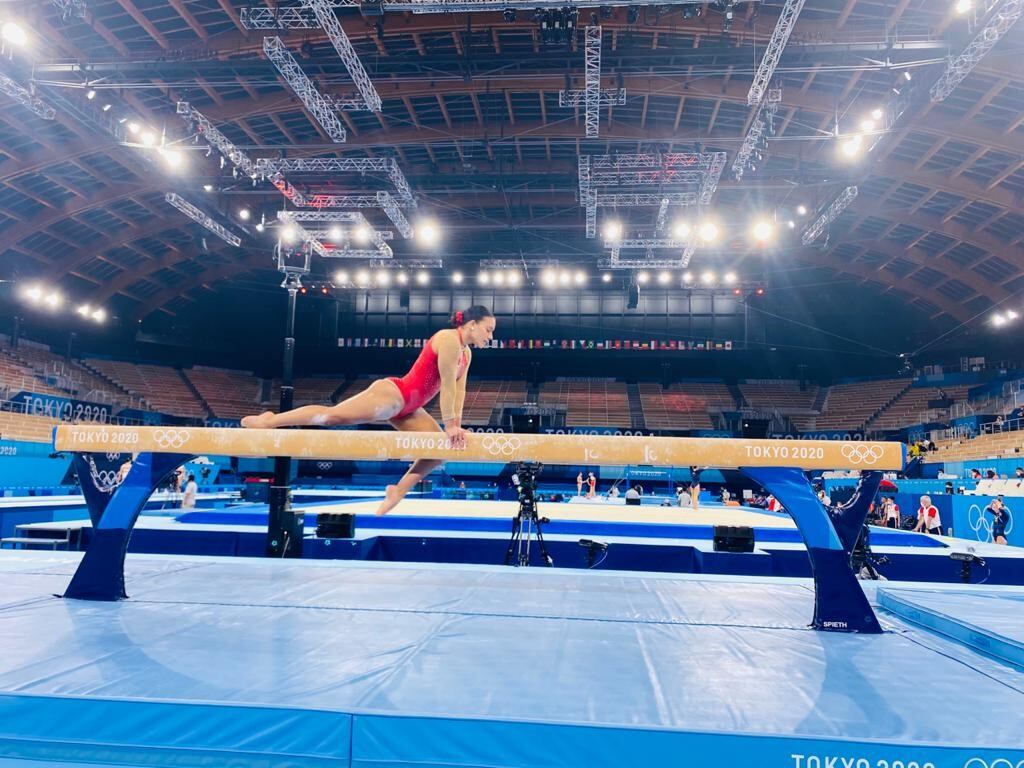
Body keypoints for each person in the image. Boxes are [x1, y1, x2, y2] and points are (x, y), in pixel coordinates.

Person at [241, 306, 496, 515]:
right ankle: (271, 420)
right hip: (395, 394)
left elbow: (460, 392)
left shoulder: (467, 354)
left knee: (438, 453)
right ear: (472, 324)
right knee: (331, 417)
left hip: (410, 408)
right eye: (489, 329)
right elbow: (448, 386)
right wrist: (450, 425)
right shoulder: (448, 340)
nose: (491, 336)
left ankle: (398, 491)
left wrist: (456, 425)